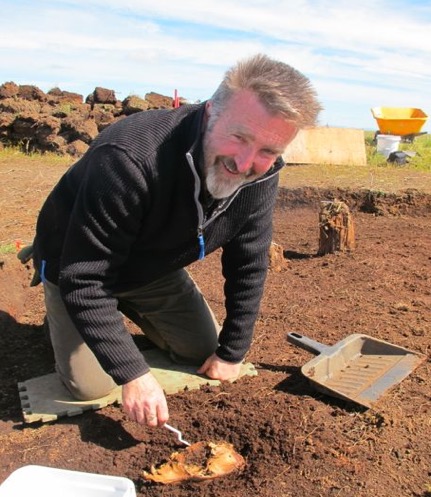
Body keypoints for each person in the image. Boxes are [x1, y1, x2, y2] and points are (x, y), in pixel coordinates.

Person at [31, 53, 321, 428]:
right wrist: (133, 374)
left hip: (152, 266)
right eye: (239, 137)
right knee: (90, 387)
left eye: (268, 150)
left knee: (204, 350)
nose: (246, 162)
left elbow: (249, 261)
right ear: (210, 113)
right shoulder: (129, 157)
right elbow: (85, 277)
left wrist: (232, 353)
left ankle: (114, 311)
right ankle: (64, 307)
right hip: (75, 260)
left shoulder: (261, 175)